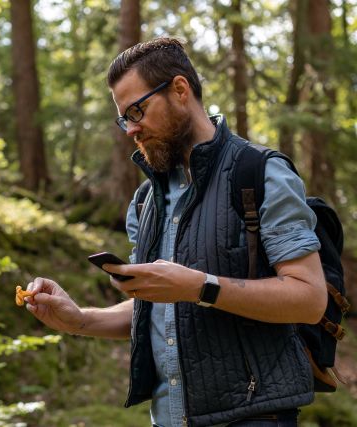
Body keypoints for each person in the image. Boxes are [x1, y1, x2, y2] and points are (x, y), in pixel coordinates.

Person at [22, 37, 327, 427]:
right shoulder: (145, 201)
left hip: (254, 416)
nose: (130, 129)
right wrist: (80, 319)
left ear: (180, 90)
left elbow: (309, 298)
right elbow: (160, 308)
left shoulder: (260, 174)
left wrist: (200, 287)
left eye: (137, 110)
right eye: (124, 118)